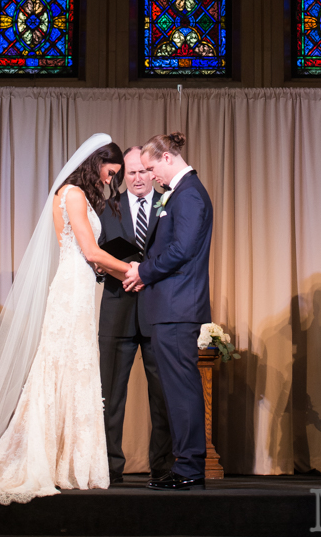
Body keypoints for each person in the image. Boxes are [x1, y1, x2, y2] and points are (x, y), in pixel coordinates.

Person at [0, 136, 133, 503]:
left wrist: (108, 270)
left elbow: (90, 259)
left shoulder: (69, 194)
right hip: (71, 291)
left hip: (79, 285)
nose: (111, 181)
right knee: (64, 365)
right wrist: (134, 270)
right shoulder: (74, 195)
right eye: (111, 173)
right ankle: (55, 460)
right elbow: (91, 250)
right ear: (97, 162)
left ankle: (67, 460)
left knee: (71, 366)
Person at [123, 132, 213, 491]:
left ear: (166, 159)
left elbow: (183, 249)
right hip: (168, 305)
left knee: (182, 390)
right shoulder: (176, 194)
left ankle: (190, 466)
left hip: (178, 306)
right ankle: (186, 463)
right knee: (176, 391)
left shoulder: (189, 194)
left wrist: (143, 272)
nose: (148, 177)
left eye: (150, 168)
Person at [98, 146, 173, 485]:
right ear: (122, 176)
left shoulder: (169, 204)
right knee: (110, 395)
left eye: (143, 171)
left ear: (151, 171)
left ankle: (163, 467)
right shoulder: (106, 208)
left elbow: (177, 253)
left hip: (158, 310)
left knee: (162, 395)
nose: (138, 178)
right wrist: (124, 274)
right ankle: (110, 467)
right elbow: (95, 255)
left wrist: (148, 275)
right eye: (131, 173)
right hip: (118, 309)